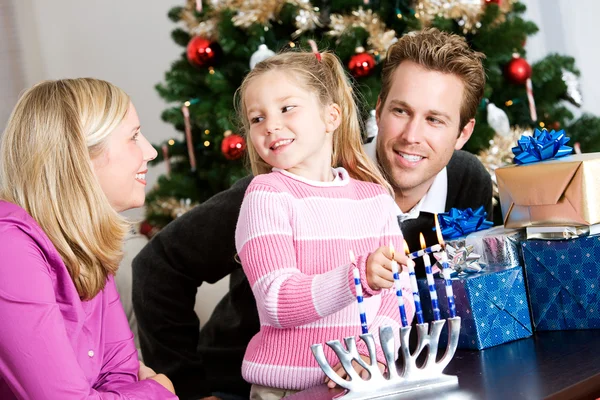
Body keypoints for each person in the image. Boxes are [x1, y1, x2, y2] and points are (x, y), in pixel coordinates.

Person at [132, 28, 492, 400]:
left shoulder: (466, 182)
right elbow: (158, 267)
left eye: (435, 120)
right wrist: (191, 390)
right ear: (380, 108)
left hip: (377, 380)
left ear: (463, 133)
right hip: (246, 383)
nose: (412, 135)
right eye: (401, 111)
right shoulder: (287, 180)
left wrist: (372, 357)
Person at [234, 48, 415, 398]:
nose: (270, 124)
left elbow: (401, 292)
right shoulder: (266, 195)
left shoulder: (374, 198)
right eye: (257, 118)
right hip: (287, 388)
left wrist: (370, 355)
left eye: (287, 108)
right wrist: (358, 276)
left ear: (330, 116)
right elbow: (276, 301)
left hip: (364, 379)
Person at [0, 78, 178, 399]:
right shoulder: (9, 249)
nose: (150, 152)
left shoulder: (84, 242)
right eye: (134, 136)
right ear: (80, 156)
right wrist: (158, 391)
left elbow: (120, 373)